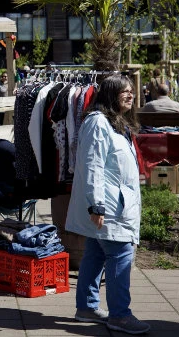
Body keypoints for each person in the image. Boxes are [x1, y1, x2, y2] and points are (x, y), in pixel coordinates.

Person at [65, 75, 149, 335]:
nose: (130, 95)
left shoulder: (115, 123)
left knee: (96, 254)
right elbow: (92, 165)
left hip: (115, 202)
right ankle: (120, 315)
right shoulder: (98, 122)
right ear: (110, 94)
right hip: (110, 206)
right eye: (123, 91)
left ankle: (87, 307)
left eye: (131, 91)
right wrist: (96, 205)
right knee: (120, 255)